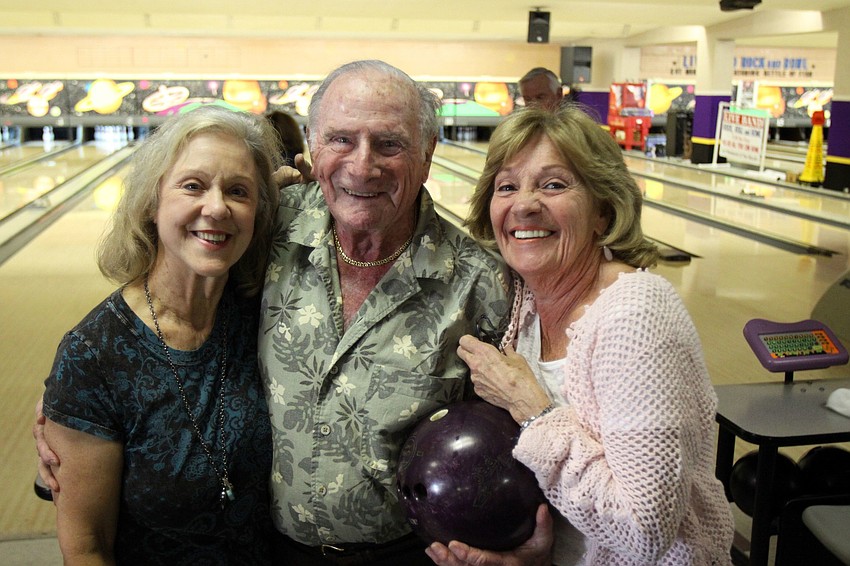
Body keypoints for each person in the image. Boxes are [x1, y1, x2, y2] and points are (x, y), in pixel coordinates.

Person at [428, 105, 736, 566]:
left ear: (603, 211)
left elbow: (645, 532)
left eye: (554, 184)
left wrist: (530, 408)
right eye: (507, 186)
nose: (524, 204)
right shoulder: (527, 305)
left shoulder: (635, 317)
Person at [259, 59, 516, 564]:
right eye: (340, 140)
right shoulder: (265, 229)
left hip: (405, 554)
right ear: (313, 144)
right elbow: (168, 299)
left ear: (427, 155)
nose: (361, 165)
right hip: (264, 545)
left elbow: (513, 434)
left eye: (389, 143)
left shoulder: (481, 283)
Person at [40, 105, 281, 565]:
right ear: (151, 202)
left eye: (237, 191)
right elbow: (86, 548)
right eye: (192, 185)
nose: (216, 207)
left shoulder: (268, 311)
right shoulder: (93, 355)